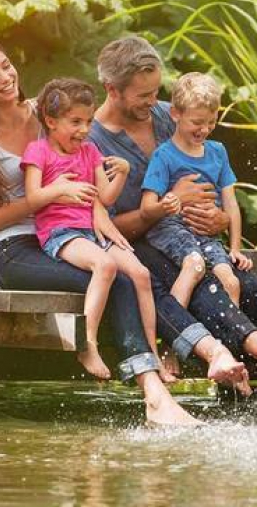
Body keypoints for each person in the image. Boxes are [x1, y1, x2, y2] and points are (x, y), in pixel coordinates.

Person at [0, 38, 238, 426]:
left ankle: (175, 364)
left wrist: (99, 213)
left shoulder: (45, 114)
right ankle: (154, 395)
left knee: (135, 271)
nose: (5, 77)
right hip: (20, 249)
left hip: (77, 230)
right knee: (115, 277)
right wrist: (53, 194)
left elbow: (85, 172)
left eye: (6, 65)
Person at [88, 36, 257, 405]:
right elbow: (103, 226)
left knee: (255, 289)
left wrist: (219, 218)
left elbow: (215, 186)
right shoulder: (93, 141)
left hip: (195, 240)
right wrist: (168, 204)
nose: (153, 103)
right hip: (140, 249)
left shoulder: (171, 115)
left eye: (155, 92)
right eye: (142, 96)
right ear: (111, 90)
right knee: (204, 287)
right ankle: (256, 360)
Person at [22, 77, 172, 382]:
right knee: (104, 266)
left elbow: (105, 198)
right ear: (50, 121)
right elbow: (33, 199)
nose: (84, 129)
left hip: (93, 233)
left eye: (88, 121)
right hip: (61, 232)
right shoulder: (38, 152)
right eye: (75, 121)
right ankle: (87, 343)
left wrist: (123, 173)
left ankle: (153, 356)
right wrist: (60, 190)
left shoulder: (89, 152)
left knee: (141, 274)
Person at [141, 72, 251, 309]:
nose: (205, 129)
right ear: (176, 114)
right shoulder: (164, 155)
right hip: (171, 227)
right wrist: (167, 203)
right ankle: (177, 329)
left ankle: (233, 338)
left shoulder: (218, 152)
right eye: (197, 122)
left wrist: (235, 249)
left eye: (211, 122)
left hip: (207, 234)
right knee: (195, 266)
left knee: (231, 281)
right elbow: (147, 206)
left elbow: (230, 203)